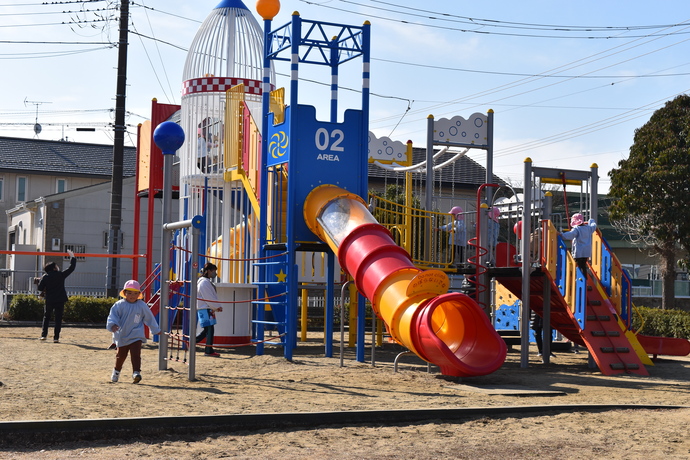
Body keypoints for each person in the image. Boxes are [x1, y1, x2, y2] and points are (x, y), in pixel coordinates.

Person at [106, 280, 161, 383]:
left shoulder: (142, 305)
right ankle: (116, 371)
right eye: (130, 293)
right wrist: (113, 325)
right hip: (122, 334)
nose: (132, 295)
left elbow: (149, 318)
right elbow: (113, 316)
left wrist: (155, 329)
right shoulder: (119, 305)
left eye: (135, 293)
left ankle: (136, 372)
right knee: (121, 355)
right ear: (125, 293)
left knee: (136, 353)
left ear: (139, 294)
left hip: (137, 334)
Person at [37, 249, 76, 343]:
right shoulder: (60, 275)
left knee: (46, 317)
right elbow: (71, 268)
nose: (58, 267)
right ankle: (56, 338)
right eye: (56, 266)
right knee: (58, 319)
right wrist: (72, 257)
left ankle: (44, 335)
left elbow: (40, 288)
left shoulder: (45, 277)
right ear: (54, 268)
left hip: (50, 299)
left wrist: (42, 282)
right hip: (60, 299)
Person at [196, 262, 223, 357]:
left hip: (206, 308)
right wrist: (216, 306)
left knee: (207, 329)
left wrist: (215, 306)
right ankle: (208, 350)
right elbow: (208, 297)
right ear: (208, 271)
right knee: (209, 329)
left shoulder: (205, 282)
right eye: (213, 271)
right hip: (205, 308)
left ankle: (193, 342)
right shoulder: (204, 283)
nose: (214, 273)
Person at [560, 213, 597, 280]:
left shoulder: (577, 229)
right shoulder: (588, 228)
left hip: (578, 252)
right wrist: (591, 221)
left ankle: (578, 279)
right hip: (586, 252)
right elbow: (594, 226)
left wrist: (561, 235)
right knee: (583, 265)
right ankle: (585, 280)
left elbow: (571, 235)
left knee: (577, 266)